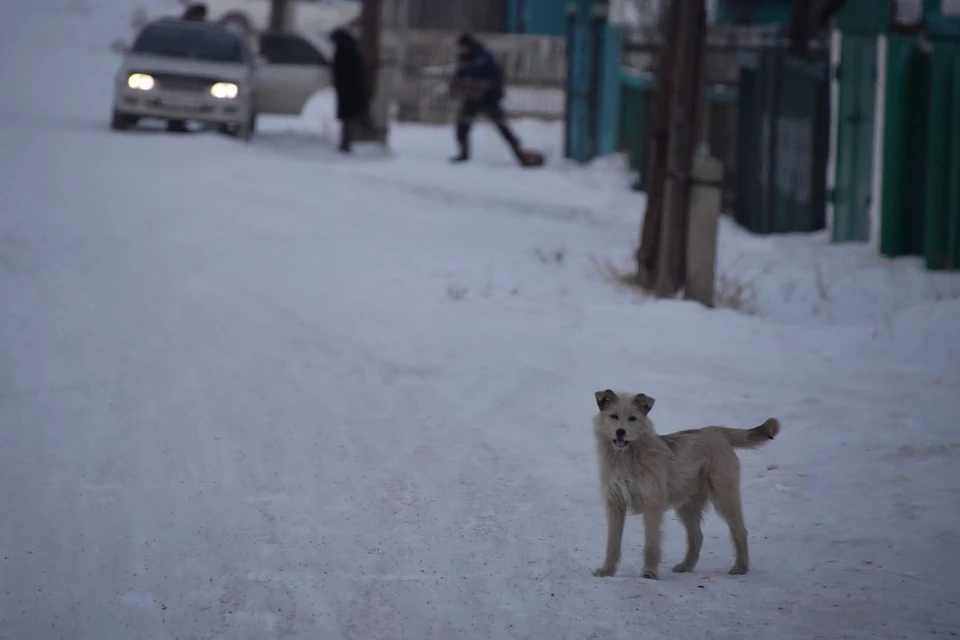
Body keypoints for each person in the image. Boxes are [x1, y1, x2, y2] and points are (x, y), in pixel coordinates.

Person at [449, 33, 531, 166]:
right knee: (462, 125)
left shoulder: (483, 57)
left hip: (489, 98)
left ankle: (520, 154)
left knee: (502, 127)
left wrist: (492, 91)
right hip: (472, 98)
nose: (461, 50)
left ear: (469, 46)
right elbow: (459, 75)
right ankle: (463, 154)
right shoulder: (464, 59)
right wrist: (454, 88)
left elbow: (496, 77)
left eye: (463, 47)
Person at [329, 28, 369, 153]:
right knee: (351, 117)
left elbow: (339, 70)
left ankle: (346, 143)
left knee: (348, 118)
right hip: (352, 88)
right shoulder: (352, 50)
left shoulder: (342, 51)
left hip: (347, 89)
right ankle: (347, 142)